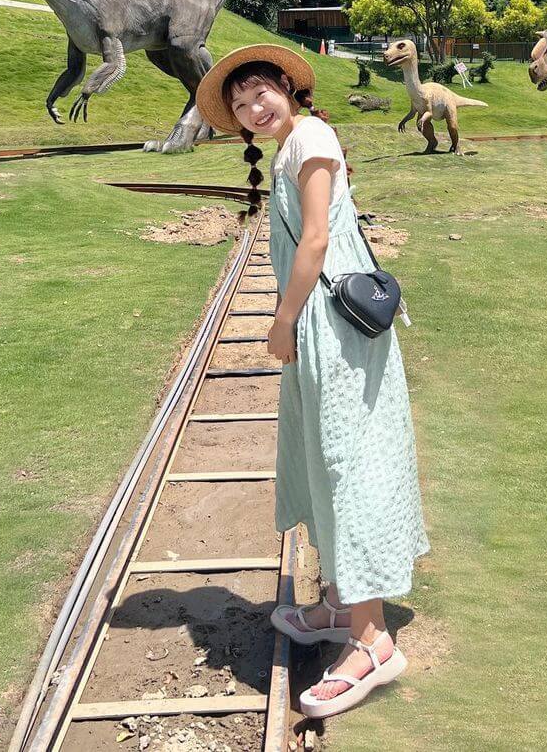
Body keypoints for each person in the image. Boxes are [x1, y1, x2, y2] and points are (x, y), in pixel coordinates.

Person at [195, 44, 430, 720]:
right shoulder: (293, 143)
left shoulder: (312, 138)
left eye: (260, 92)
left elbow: (318, 239)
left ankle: (371, 641)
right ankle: (338, 602)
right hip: (321, 327)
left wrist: (282, 318)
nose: (252, 108)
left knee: (344, 462)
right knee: (321, 460)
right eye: (240, 105)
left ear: (288, 87)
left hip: (330, 324)